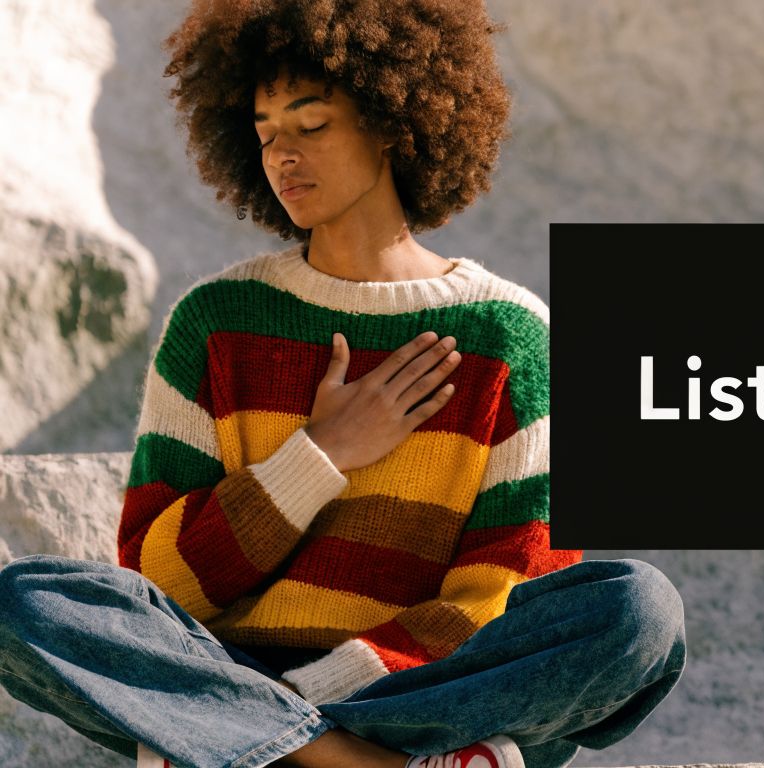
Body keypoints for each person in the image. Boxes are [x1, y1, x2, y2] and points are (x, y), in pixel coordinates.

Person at [0, 1, 686, 767]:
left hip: (407, 690)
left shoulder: (509, 337)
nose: (282, 156)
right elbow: (161, 584)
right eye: (264, 135)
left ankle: (259, 751)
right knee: (27, 602)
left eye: (311, 124)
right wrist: (317, 458)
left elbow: (503, 588)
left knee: (637, 609)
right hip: (234, 673)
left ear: (395, 119)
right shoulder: (217, 323)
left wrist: (306, 699)